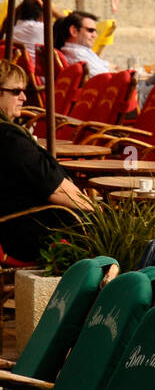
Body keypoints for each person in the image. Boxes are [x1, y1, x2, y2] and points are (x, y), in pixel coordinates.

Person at [0, 59, 93, 260]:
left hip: (19, 226)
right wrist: (98, 212)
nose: (24, 97)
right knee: (115, 235)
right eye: (16, 91)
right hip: (31, 234)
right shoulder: (8, 139)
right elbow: (55, 189)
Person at [54, 11, 110, 76]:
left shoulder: (82, 50)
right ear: (74, 31)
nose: (95, 35)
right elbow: (103, 75)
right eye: (90, 30)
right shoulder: (76, 53)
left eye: (95, 31)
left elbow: (107, 66)